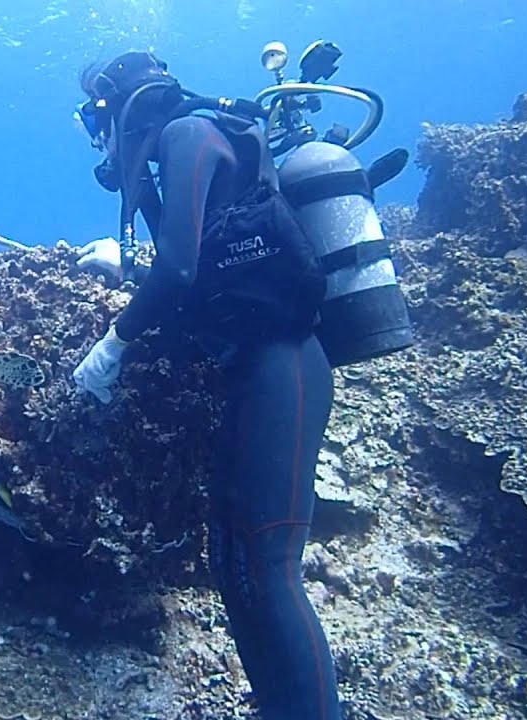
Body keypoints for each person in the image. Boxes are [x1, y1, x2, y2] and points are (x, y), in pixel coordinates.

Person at [69, 51, 343, 719]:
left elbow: (181, 267)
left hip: (285, 366)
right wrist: (129, 273)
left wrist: (113, 343)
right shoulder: (186, 145)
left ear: (115, 107)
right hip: (251, 372)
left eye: (90, 118)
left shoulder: (186, 134)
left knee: (271, 567)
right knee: (233, 561)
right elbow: (195, 278)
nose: (95, 137)